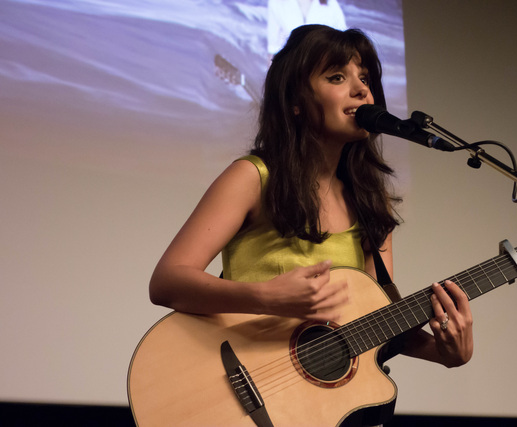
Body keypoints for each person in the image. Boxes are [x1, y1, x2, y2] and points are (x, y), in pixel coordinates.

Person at [150, 24, 472, 387]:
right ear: (295, 102)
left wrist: (442, 352)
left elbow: (373, 324)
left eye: (364, 77)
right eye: (337, 77)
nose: (362, 89)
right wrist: (265, 297)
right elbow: (166, 282)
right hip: (243, 385)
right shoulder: (252, 178)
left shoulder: (369, 202)